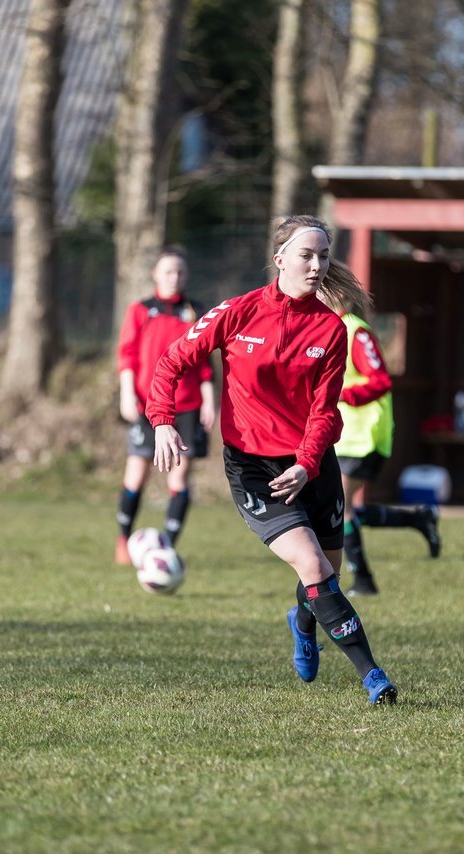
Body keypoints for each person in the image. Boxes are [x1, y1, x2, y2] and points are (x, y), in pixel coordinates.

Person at [148, 215, 397, 705]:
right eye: (307, 255)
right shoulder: (236, 313)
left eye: (324, 256)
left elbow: (326, 413)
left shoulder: (331, 329)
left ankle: (302, 623)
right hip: (254, 469)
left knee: (324, 573)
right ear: (279, 259)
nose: (317, 264)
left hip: (312, 465)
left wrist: (307, 463)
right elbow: (172, 362)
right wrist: (162, 420)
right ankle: (373, 676)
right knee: (313, 566)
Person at [317, 288, 441, 597]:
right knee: (336, 508)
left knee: (339, 506)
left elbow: (380, 381)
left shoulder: (355, 332)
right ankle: (417, 518)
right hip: (343, 435)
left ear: (337, 297)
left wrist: (343, 395)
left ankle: (364, 582)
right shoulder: (326, 329)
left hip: (364, 433)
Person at [114, 246, 216, 564]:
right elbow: (127, 355)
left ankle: (166, 547)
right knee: (136, 474)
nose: (175, 277)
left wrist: (209, 400)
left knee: (179, 478)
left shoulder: (196, 311)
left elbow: (204, 363)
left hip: (186, 406)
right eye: (168, 271)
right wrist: (127, 393)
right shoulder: (141, 310)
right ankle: (122, 540)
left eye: (180, 272)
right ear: (155, 275)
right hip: (147, 403)